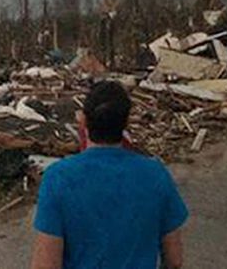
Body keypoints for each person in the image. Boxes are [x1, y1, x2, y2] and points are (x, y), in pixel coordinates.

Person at [31, 80, 188, 269]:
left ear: (83, 121)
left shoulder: (58, 178)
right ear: (126, 123)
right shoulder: (156, 174)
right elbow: (174, 260)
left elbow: (46, 265)